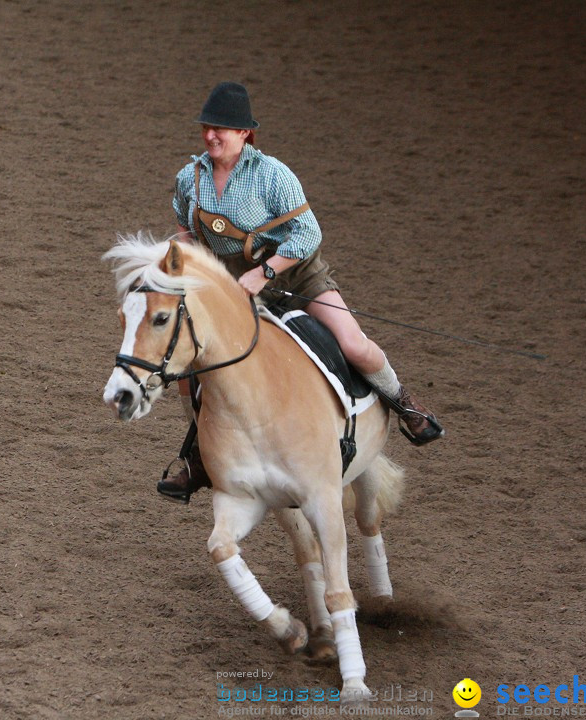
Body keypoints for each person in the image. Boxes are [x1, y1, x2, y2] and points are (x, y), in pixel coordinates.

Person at [158, 82, 442, 503]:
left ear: (244, 134)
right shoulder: (190, 178)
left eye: (222, 129)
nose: (212, 135)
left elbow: (309, 233)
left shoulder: (273, 175)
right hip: (235, 286)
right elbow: (185, 226)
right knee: (192, 368)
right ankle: (197, 454)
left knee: (353, 344)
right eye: (208, 127)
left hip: (296, 277)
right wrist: (194, 267)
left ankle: (404, 403)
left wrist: (265, 272)